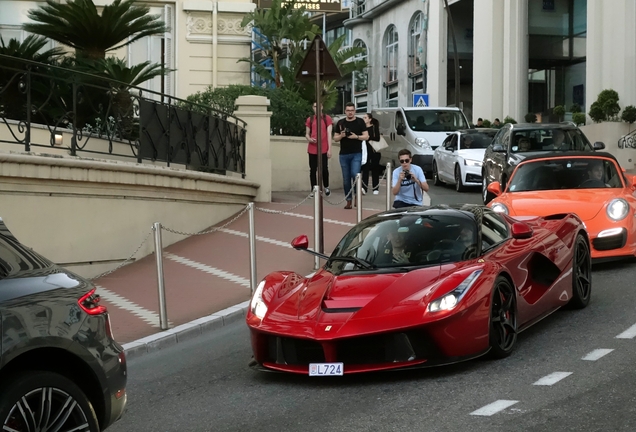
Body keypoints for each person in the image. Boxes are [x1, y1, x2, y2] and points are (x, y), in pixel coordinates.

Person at [334, 102, 369, 209]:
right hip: (343, 154)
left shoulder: (360, 122)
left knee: (355, 174)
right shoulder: (340, 123)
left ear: (355, 111)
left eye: (352, 110)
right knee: (346, 179)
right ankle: (348, 200)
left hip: (356, 153)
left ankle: (357, 197)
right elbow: (335, 138)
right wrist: (342, 135)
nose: (350, 112)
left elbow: (366, 136)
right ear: (345, 111)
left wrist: (356, 137)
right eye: (348, 110)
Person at [305, 102, 332, 197]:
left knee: (324, 168)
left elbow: (329, 134)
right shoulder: (310, 119)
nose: (317, 108)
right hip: (312, 148)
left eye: (318, 106)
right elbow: (307, 134)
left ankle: (326, 186)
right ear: (313, 108)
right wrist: (309, 139)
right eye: (315, 106)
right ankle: (314, 188)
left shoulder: (326, 118)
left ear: (322, 107)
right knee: (313, 170)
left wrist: (329, 149)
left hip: (323, 148)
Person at [361, 112, 382, 195]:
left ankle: (375, 188)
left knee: (375, 169)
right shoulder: (362, 128)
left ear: (370, 119)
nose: (364, 119)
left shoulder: (374, 127)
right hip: (365, 151)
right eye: (363, 117)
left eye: (365, 117)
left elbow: (377, 138)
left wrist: (368, 137)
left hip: (374, 150)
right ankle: (364, 188)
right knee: (365, 169)